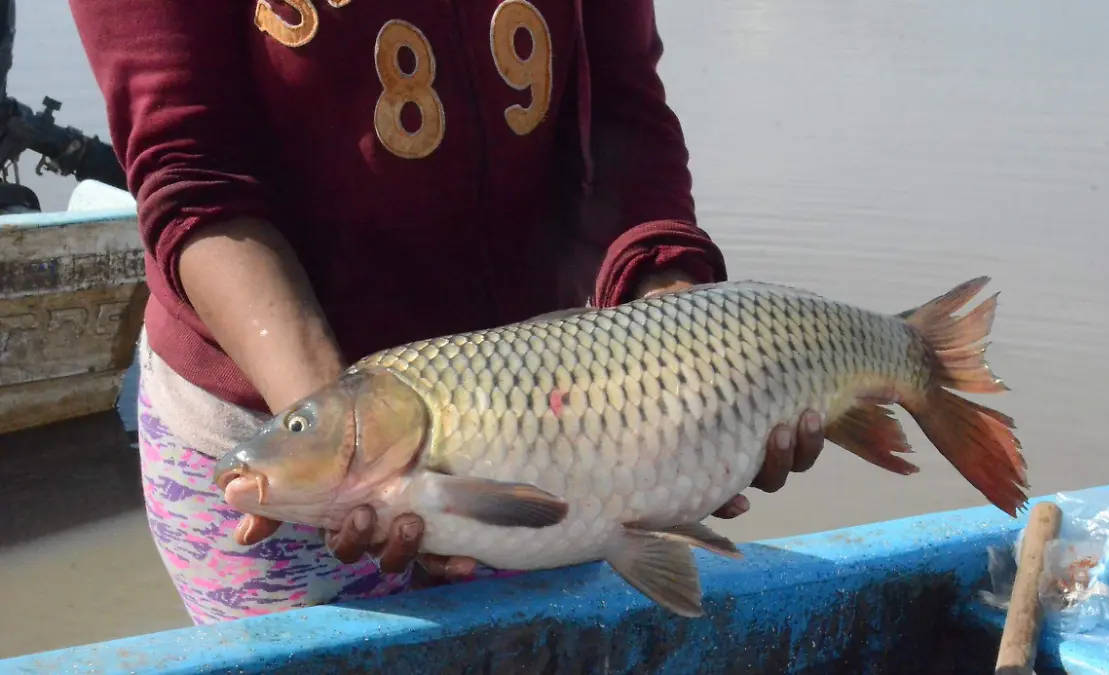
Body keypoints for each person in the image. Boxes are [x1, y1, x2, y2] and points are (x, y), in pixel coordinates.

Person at [67, 0, 827, 624]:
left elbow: (623, 112)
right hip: (274, 448)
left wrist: (684, 346)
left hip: (569, 427)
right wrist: (347, 447)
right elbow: (192, 172)